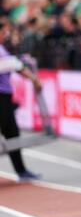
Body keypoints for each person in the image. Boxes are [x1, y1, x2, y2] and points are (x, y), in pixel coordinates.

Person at [0, 21, 42, 182]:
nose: (7, 35)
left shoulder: (3, 49)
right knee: (11, 134)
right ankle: (21, 171)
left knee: (12, 134)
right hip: (1, 97)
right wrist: (34, 78)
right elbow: (15, 65)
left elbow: (14, 64)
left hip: (4, 96)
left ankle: (21, 171)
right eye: (4, 32)